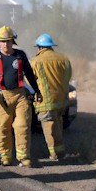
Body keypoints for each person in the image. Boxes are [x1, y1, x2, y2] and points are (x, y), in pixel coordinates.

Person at [0, 25, 42, 168]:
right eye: (2, 41)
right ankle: (5, 157)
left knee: (22, 125)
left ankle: (23, 156)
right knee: (2, 127)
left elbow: (29, 75)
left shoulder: (20, 55)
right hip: (1, 96)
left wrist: (37, 91)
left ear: (13, 41)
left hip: (20, 95)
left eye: (8, 41)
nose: (5, 44)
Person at [30, 34, 72, 162]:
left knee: (50, 128)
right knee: (58, 126)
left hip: (45, 102)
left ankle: (56, 154)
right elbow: (67, 78)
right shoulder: (64, 59)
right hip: (61, 101)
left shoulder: (35, 62)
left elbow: (30, 80)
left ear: (39, 47)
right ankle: (60, 152)